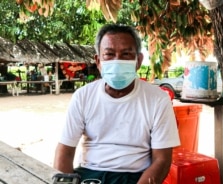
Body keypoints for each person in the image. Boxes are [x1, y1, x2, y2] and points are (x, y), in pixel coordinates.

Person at [53, 24, 180, 184]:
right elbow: (65, 151)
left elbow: (161, 160)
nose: (117, 61)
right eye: (109, 54)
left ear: (138, 60)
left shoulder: (158, 99)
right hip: (90, 175)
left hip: (137, 177)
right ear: (98, 61)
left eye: (126, 54)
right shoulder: (83, 96)